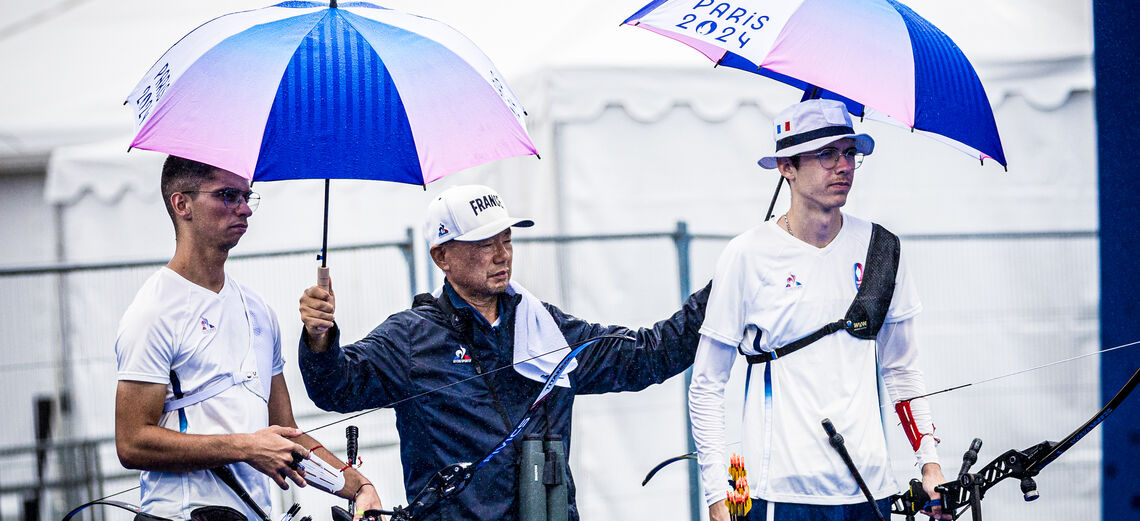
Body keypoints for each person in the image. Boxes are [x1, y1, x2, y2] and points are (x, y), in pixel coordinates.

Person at [297, 184, 710, 521]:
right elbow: (334, 388)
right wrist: (320, 338)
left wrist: (727, 286)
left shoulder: (544, 326)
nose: (502, 255)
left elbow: (646, 356)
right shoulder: (410, 337)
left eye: (507, 239)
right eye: (483, 243)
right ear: (442, 256)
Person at [688, 99, 949, 521]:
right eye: (826, 154)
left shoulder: (881, 249)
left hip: (869, 489)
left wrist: (930, 464)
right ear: (786, 167)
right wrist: (718, 496)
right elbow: (706, 384)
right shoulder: (747, 254)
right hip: (779, 493)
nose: (843, 166)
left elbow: (901, 369)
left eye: (849, 153)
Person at [115, 156, 382, 521]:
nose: (244, 209)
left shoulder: (257, 309)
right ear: (182, 204)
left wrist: (359, 487)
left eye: (247, 196)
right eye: (227, 196)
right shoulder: (153, 312)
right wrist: (245, 447)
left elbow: (286, 434)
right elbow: (131, 443)